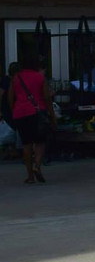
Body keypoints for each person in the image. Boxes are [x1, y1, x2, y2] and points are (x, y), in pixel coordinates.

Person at [8, 54, 54, 184]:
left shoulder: (16, 78)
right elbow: (47, 98)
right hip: (37, 113)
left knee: (26, 144)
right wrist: (52, 115)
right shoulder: (40, 77)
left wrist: (15, 111)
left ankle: (30, 176)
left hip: (21, 114)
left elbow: (10, 98)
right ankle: (37, 166)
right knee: (40, 142)